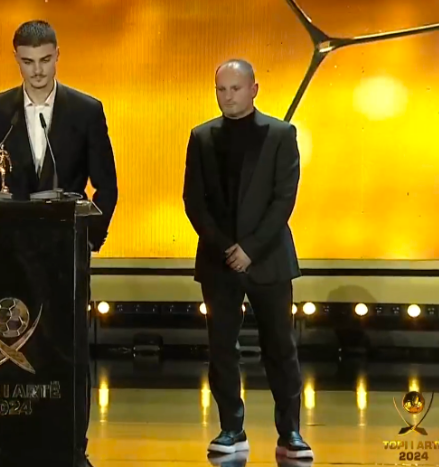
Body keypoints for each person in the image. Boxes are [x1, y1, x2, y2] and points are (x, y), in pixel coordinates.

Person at [0, 20, 118, 467]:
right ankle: (14, 442)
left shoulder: (86, 110)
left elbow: (107, 185)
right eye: (28, 62)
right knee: (14, 349)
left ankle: (72, 447)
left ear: (58, 56)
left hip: (65, 254)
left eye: (45, 60)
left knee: (67, 351)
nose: (37, 71)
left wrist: (89, 239)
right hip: (9, 258)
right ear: (16, 60)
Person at [183, 59, 313, 460]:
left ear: (254, 89)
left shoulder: (281, 134)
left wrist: (250, 249)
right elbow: (194, 201)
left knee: (280, 347)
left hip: (268, 258)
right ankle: (230, 428)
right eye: (221, 89)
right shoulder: (201, 137)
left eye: (235, 89)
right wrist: (227, 247)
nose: (227, 97)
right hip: (218, 260)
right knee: (222, 348)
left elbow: (283, 199)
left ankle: (290, 432)